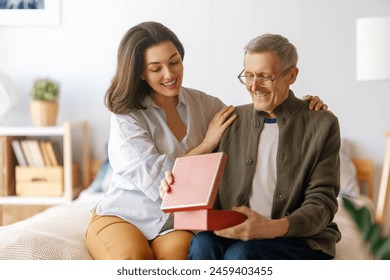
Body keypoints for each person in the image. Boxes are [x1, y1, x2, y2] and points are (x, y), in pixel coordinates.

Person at [86, 21, 327, 260]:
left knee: (182, 256)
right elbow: (164, 185)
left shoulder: (206, 105)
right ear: (140, 71)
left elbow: (259, 118)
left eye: (174, 62)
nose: (169, 74)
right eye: (156, 68)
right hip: (125, 215)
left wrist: (301, 107)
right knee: (132, 259)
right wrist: (206, 144)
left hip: (175, 225)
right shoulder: (126, 116)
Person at [161, 33, 341, 260]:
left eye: (265, 76)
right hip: (233, 231)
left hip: (296, 238)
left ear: (291, 75)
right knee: (202, 245)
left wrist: (270, 227)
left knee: (241, 255)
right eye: (248, 75)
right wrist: (175, 184)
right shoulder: (229, 119)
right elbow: (203, 187)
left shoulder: (322, 123)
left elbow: (322, 203)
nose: (254, 85)